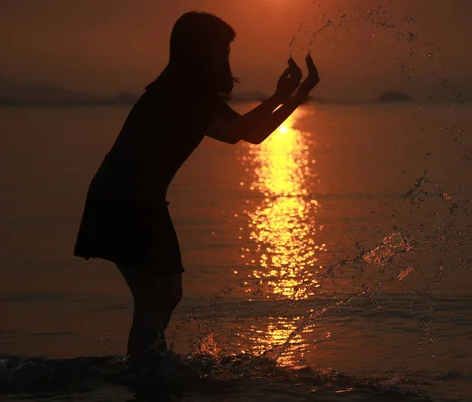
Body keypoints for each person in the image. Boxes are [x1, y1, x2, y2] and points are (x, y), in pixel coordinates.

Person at [73, 11, 320, 363]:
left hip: (146, 200)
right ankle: (145, 373)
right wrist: (285, 94)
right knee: (150, 297)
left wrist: (293, 93)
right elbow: (238, 133)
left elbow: (252, 134)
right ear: (199, 50)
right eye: (221, 48)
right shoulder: (177, 92)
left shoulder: (196, 95)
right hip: (120, 197)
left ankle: (148, 364)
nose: (225, 57)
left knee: (169, 291)